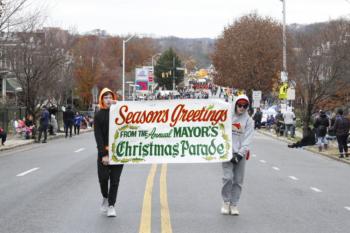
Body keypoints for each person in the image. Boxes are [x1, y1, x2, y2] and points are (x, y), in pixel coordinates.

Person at [221, 95, 254, 216]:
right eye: (239, 105)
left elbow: (248, 139)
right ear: (235, 104)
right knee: (227, 178)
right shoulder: (227, 117)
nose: (242, 107)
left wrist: (240, 155)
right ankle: (226, 202)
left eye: (245, 106)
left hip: (240, 154)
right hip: (227, 152)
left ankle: (234, 204)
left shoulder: (249, 121)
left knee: (238, 181)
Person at [94, 88, 123, 217]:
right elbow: (98, 136)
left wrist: (119, 106)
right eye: (105, 97)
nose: (107, 99)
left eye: (109, 97)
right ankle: (105, 197)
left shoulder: (119, 113)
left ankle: (111, 205)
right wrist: (103, 154)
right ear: (101, 99)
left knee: (115, 180)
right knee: (103, 178)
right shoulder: (99, 115)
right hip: (104, 152)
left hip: (118, 152)